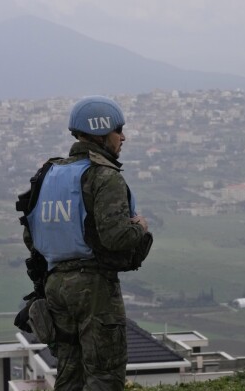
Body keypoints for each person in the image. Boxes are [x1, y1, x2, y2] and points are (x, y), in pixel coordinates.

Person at [19, 95, 149, 390]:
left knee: (69, 372)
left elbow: (31, 235)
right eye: (119, 130)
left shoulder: (49, 174)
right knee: (104, 373)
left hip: (54, 286)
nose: (123, 137)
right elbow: (116, 237)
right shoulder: (104, 175)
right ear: (102, 132)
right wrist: (140, 227)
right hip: (94, 289)